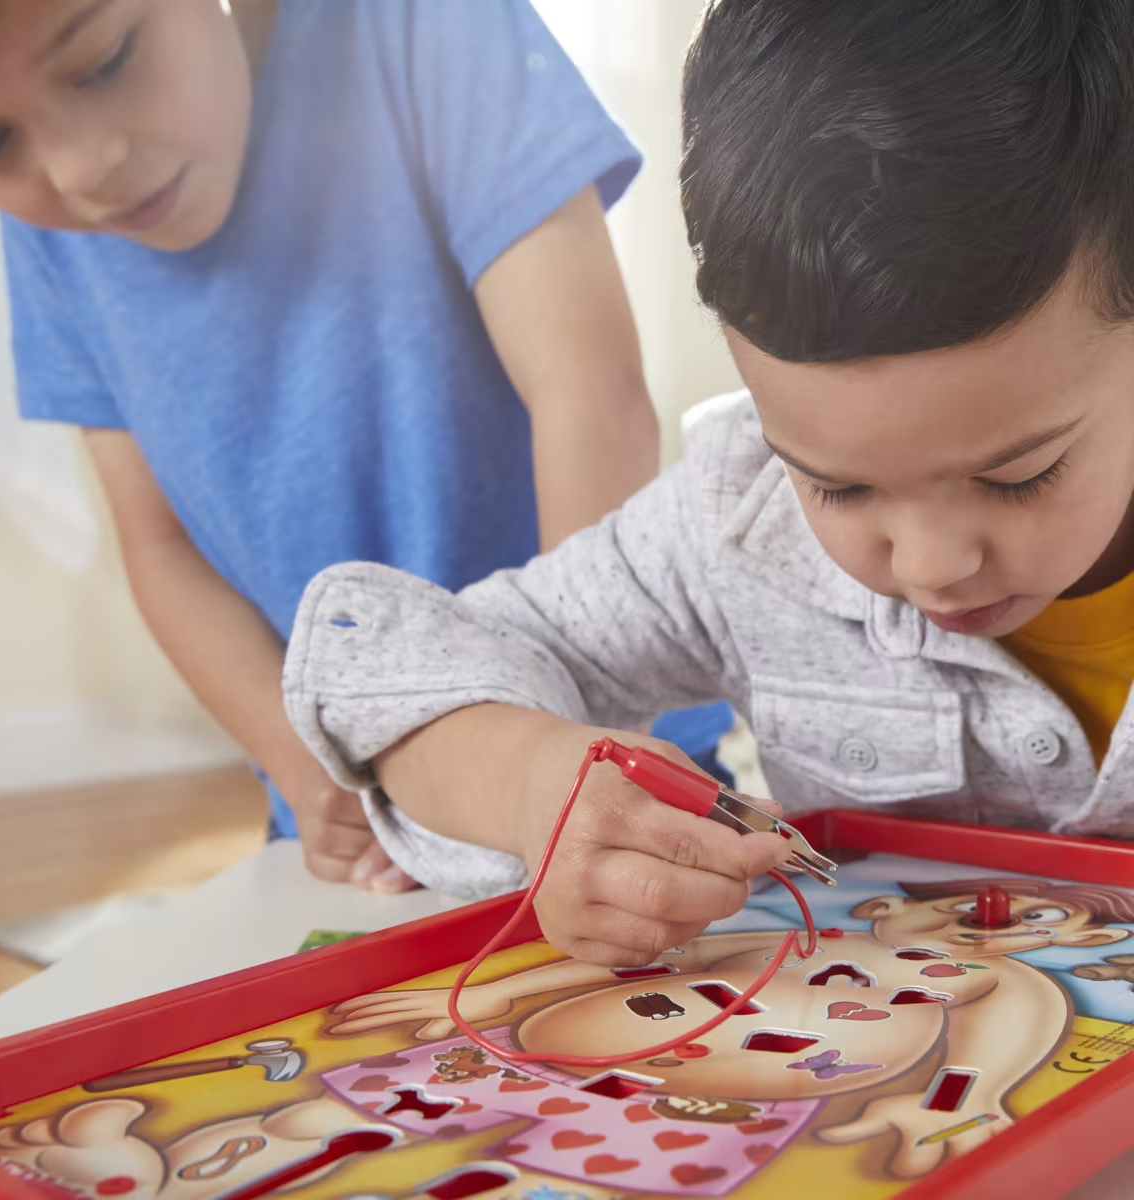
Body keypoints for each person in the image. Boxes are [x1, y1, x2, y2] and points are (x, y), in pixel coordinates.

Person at [283, 0, 1134, 962]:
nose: (933, 566)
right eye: (839, 486)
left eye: (1020, 476)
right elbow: (377, 665)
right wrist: (530, 787)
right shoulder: (737, 520)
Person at [0, 0, 661, 890]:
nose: (82, 168)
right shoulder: (48, 241)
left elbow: (590, 394)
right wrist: (306, 769)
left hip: (608, 751)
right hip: (360, 830)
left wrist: (549, 757)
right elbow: (158, 546)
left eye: (106, 59)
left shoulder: (421, 25)